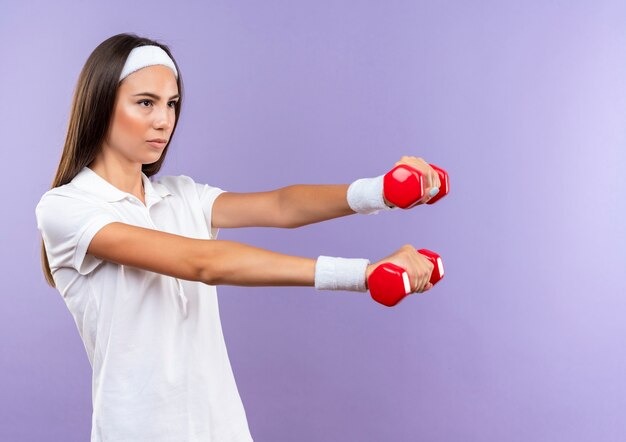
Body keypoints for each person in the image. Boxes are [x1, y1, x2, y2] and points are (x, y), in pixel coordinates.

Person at [35, 32, 442, 442]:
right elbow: (204, 263)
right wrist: (364, 274)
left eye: (171, 104)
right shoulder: (66, 208)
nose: (164, 120)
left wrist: (382, 191)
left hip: (222, 429)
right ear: (102, 104)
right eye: (146, 102)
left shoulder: (182, 195)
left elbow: (282, 206)